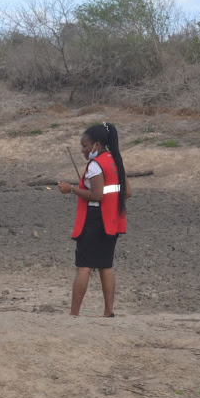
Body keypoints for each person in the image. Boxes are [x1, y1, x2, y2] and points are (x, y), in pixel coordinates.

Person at [58, 122, 132, 317]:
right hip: (112, 221)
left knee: (84, 266)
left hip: (94, 220)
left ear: (96, 145)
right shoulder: (116, 160)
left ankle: (74, 314)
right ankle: (108, 312)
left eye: (85, 146)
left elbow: (97, 195)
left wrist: (71, 189)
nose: (83, 150)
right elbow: (127, 192)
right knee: (105, 266)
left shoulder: (95, 165)